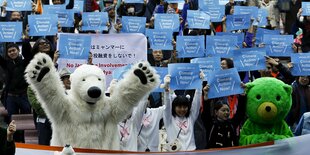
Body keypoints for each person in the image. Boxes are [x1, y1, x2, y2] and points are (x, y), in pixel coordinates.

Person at [162, 73, 203, 151]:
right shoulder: (169, 119)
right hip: (175, 152)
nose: (182, 109)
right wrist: (166, 90)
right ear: (174, 107)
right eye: (179, 107)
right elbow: (167, 106)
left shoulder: (191, 117)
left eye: (185, 107)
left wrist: (199, 85)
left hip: (191, 151)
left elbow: (196, 103)